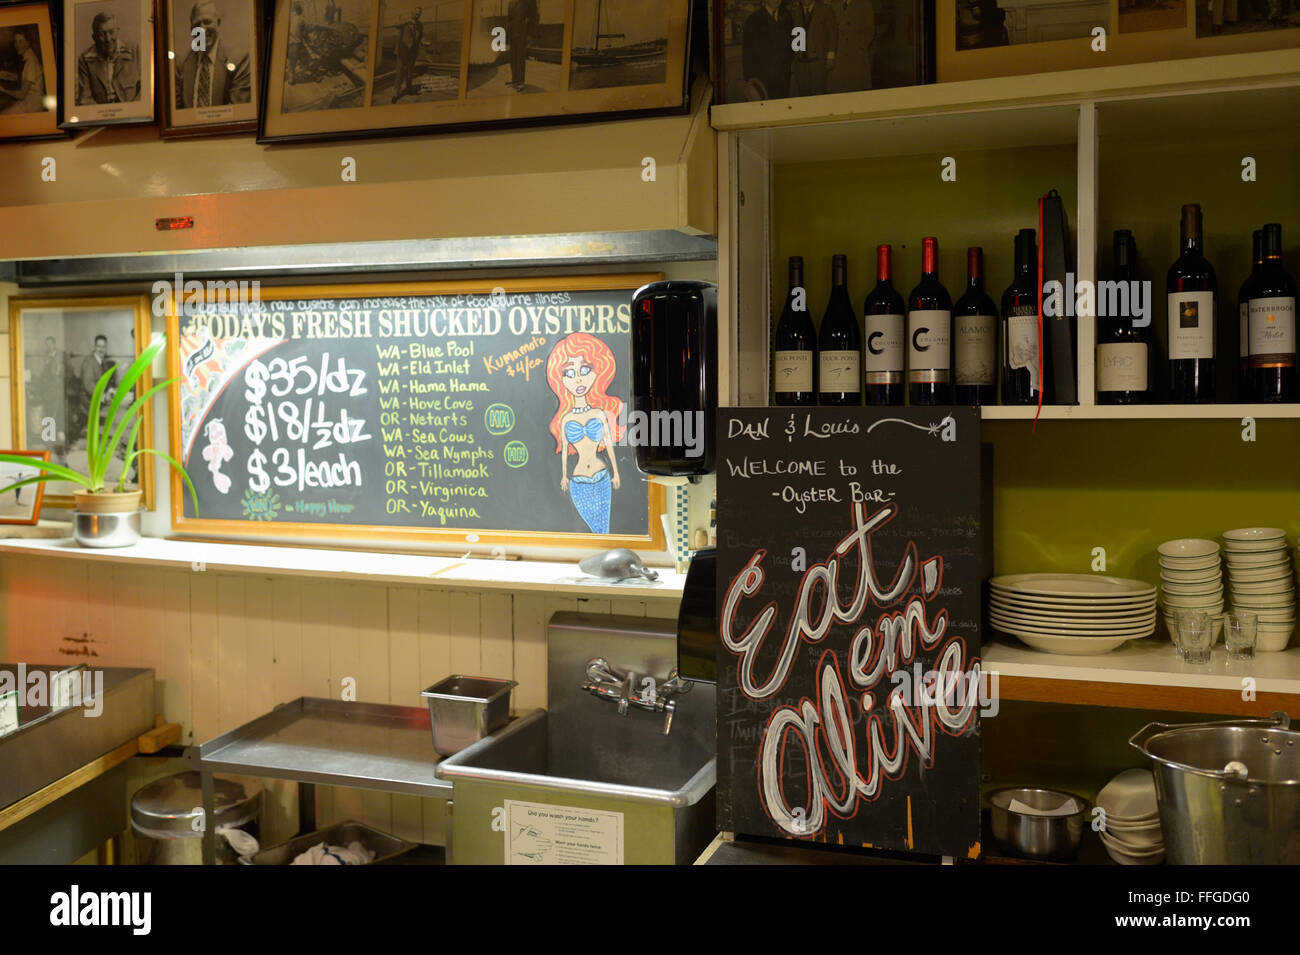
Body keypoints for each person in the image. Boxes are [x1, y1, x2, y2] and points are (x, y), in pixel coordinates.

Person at [546, 333, 623, 535]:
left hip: (601, 475)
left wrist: (616, 473)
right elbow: (564, 451)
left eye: (585, 369)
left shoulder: (599, 414)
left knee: (603, 527)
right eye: (569, 373)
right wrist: (564, 476)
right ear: (559, 379)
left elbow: (609, 446)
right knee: (591, 528)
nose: (578, 378)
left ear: (598, 371)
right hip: (578, 481)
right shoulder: (566, 420)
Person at [176, 1, 250, 108]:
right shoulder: (180, 65)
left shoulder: (240, 60)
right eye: (197, 25)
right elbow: (177, 113)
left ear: (218, 22)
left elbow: (237, 110)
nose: (202, 30)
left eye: (207, 22)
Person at [76, 12, 141, 105]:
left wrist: (130, 111)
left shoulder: (135, 51)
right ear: (94, 37)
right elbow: (85, 99)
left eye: (111, 32)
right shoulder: (85, 59)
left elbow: (146, 89)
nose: (108, 39)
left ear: (118, 31)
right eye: (101, 34)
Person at [740, 0, 792, 101]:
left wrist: (789, 60)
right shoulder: (754, 20)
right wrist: (750, 79)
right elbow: (747, 53)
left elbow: (791, 44)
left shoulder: (787, 17)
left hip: (783, 78)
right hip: (761, 79)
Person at [788, 0, 836, 97]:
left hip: (818, 61)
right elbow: (793, 35)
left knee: (818, 95)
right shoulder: (795, 11)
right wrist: (794, 59)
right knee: (803, 95)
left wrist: (830, 57)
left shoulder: (825, 9)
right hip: (800, 63)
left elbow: (832, 33)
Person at [78, 334, 117, 443]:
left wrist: (110, 390)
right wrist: (103, 396)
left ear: (106, 348)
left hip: (97, 402)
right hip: (88, 404)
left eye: (104, 347)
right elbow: (89, 384)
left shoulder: (102, 361)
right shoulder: (89, 362)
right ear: (94, 347)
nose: (101, 349)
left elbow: (105, 380)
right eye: (99, 346)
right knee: (91, 434)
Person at [827, 0, 874, 93]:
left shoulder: (864, 4)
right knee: (838, 92)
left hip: (856, 57)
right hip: (838, 56)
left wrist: (858, 45)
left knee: (856, 92)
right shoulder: (833, 4)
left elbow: (870, 30)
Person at [0, 28, 46, 115]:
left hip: (33, 105)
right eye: (15, 41)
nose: (17, 45)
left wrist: (3, 90)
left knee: (2, 115)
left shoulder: (31, 63)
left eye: (20, 41)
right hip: (29, 101)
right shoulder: (29, 58)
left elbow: (21, 95)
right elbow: (25, 78)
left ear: (28, 43)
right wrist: (7, 75)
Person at [392, 6, 423, 102]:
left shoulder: (420, 25)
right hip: (403, 51)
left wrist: (424, 42)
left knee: (410, 71)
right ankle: (396, 93)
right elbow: (395, 24)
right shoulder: (404, 21)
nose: (417, 15)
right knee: (400, 72)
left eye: (419, 14)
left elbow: (420, 36)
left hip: (413, 51)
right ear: (412, 13)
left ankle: (409, 89)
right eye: (416, 13)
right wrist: (406, 21)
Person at [507, 0, 538, 91]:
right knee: (513, 58)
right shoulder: (511, 2)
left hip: (522, 33)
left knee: (520, 58)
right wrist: (507, 34)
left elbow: (534, 17)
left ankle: (520, 82)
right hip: (512, 33)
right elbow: (509, 19)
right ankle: (514, 80)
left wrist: (530, 34)